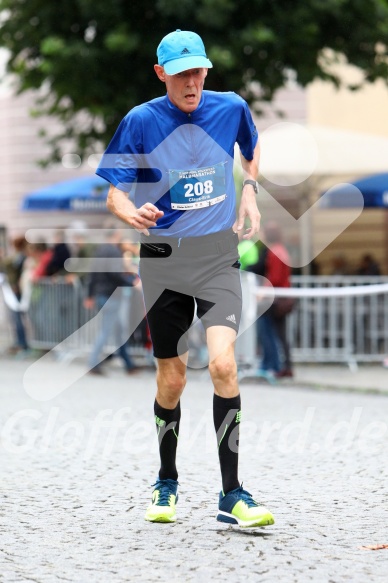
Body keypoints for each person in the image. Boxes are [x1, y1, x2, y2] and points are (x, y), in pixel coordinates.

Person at [96, 29, 274, 527]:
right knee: (172, 379)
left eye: (198, 71)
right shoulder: (142, 120)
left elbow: (252, 147)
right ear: (161, 75)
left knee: (223, 366)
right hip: (162, 258)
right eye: (181, 74)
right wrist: (130, 213)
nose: (192, 82)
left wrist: (250, 191)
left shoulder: (230, 107)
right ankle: (167, 479)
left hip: (218, 255)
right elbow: (113, 190)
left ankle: (232, 494)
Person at [84, 229, 139, 375]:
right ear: (116, 235)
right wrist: (132, 282)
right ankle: (93, 362)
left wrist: (89, 295)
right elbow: (115, 274)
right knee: (106, 330)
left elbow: (92, 274)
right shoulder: (114, 252)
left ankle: (128, 363)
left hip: (101, 294)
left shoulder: (99, 251)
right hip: (112, 295)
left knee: (118, 330)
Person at [250, 222, 293, 379]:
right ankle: (286, 366)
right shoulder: (282, 250)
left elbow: (274, 278)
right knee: (281, 334)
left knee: (267, 331)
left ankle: (273, 365)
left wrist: (262, 292)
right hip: (283, 297)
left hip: (275, 299)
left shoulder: (274, 252)